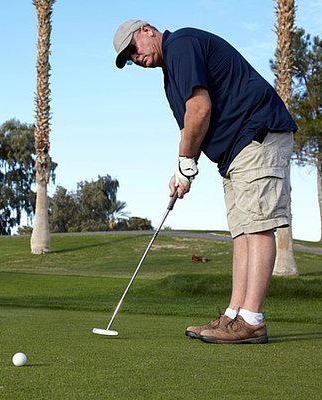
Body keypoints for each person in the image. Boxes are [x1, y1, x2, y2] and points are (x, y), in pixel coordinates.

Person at [113, 20, 297, 344]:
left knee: (258, 227)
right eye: (128, 57)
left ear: (147, 30)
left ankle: (252, 320)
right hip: (233, 152)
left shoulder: (180, 45)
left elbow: (199, 109)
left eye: (132, 47)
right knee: (242, 233)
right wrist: (182, 167)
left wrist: (186, 163)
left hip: (256, 135)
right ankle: (233, 315)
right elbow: (191, 128)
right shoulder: (171, 71)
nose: (133, 57)